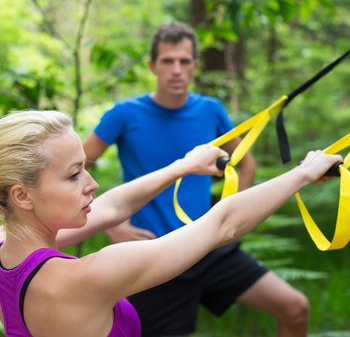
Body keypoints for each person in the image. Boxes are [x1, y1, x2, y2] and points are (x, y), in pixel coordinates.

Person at [0, 111, 341, 337]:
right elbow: (223, 225)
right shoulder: (87, 277)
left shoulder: (8, 247)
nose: (92, 184)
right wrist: (304, 173)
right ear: (22, 196)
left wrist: (183, 166)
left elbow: (113, 206)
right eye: (74, 175)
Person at [83, 22, 310, 337]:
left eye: (184, 61)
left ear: (195, 66)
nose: (176, 69)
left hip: (208, 247)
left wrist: (230, 215)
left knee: (295, 308)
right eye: (167, 61)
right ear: (153, 66)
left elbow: (247, 166)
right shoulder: (124, 114)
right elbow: (75, 167)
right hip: (153, 255)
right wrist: (110, 224)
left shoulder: (211, 110)